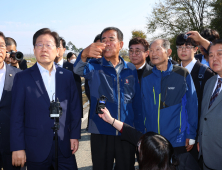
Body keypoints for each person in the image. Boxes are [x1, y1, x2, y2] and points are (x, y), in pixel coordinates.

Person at [10, 28, 82, 170]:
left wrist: (74, 135)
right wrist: (18, 147)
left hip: (64, 145)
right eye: (39, 45)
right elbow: (16, 115)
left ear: (57, 50)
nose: (44, 49)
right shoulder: (22, 78)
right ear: (34, 49)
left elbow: (74, 108)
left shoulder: (67, 76)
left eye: (49, 45)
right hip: (35, 148)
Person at [74, 27, 144, 170]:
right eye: (103, 40)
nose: (107, 43)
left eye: (111, 40)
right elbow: (77, 70)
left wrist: (139, 131)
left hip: (126, 130)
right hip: (101, 130)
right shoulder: (94, 66)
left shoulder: (130, 69)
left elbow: (136, 102)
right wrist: (84, 53)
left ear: (121, 44)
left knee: (126, 167)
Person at [141, 38, 198, 155]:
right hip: (153, 140)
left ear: (168, 52)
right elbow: (143, 106)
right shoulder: (146, 76)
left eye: (157, 49)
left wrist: (191, 134)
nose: (153, 53)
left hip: (177, 139)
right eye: (151, 51)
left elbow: (192, 106)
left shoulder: (182, 74)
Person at [99, 107, 201, 170]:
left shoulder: (186, 163)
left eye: (140, 147)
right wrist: (110, 120)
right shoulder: (159, 151)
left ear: (149, 160)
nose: (137, 146)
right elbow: (131, 133)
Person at [176, 33, 215, 166]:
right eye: (180, 47)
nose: (183, 50)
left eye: (188, 46)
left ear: (196, 49)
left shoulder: (206, 73)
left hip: (198, 137)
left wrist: (198, 137)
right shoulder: (172, 72)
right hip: (176, 135)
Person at [198, 39, 222, 170]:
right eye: (211, 55)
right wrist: (200, 140)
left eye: (220, 54)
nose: (214, 58)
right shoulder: (210, 82)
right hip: (207, 154)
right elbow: (204, 115)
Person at [0, 32, 21, 170]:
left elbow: (24, 114)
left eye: (1, 45)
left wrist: (20, 147)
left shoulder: (19, 76)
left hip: (11, 146)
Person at [55, 37, 83, 117]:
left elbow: (77, 93)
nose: (56, 49)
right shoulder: (45, 69)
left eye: (58, 46)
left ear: (64, 49)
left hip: (67, 113)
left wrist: (78, 114)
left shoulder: (73, 69)